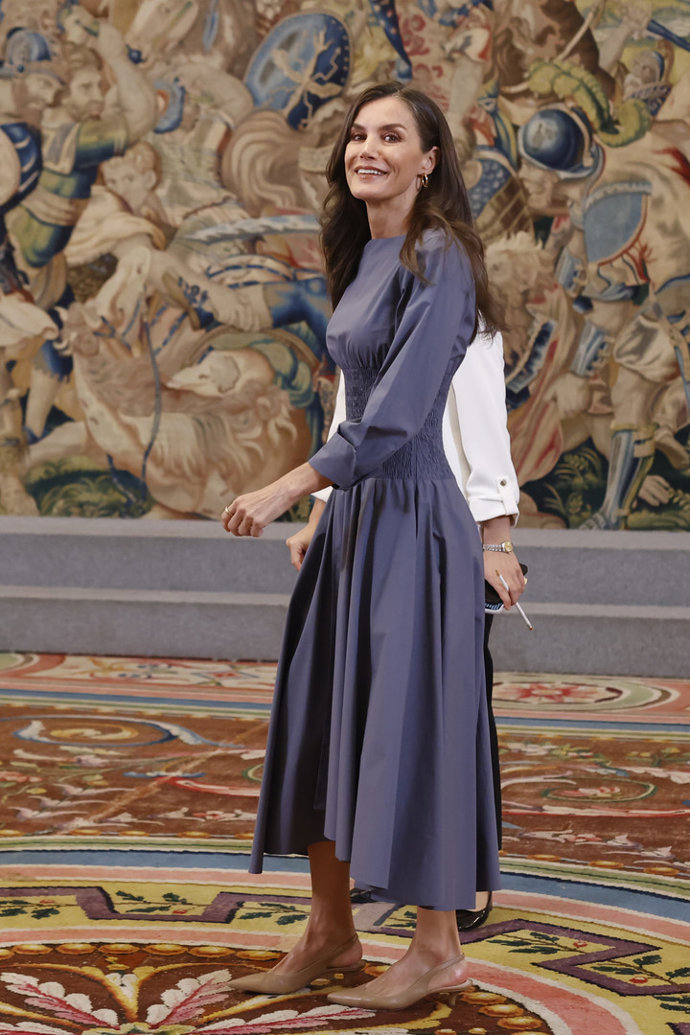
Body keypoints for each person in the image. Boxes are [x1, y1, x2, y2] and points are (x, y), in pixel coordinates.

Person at [221, 81, 525, 1011]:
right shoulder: (364, 253)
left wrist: (286, 486)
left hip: (416, 518)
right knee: (324, 716)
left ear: (429, 160)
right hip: (355, 520)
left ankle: (436, 948)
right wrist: (321, 512)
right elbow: (355, 399)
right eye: (359, 134)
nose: (369, 148)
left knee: (410, 724)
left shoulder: (444, 257)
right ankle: (331, 929)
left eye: (392, 136)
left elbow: (396, 417)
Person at [288, 325, 523, 933]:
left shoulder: (459, 307)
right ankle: (379, 857)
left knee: (450, 704)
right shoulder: (372, 301)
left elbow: (484, 419)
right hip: (366, 518)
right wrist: (319, 512)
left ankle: (464, 875)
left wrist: (496, 537)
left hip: (442, 521)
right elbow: (352, 413)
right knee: (371, 699)